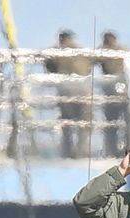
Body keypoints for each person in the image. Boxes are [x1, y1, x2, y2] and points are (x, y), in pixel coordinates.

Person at [44, 29, 92, 159]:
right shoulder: (82, 52)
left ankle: (68, 152)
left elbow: (49, 67)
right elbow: (88, 69)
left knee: (67, 124)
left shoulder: (56, 52)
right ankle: (82, 152)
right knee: (83, 124)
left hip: (65, 92)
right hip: (83, 91)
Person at [98, 31, 127, 155]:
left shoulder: (103, 51)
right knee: (119, 123)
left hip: (113, 90)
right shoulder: (122, 50)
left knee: (112, 124)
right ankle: (118, 149)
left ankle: (113, 149)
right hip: (121, 90)